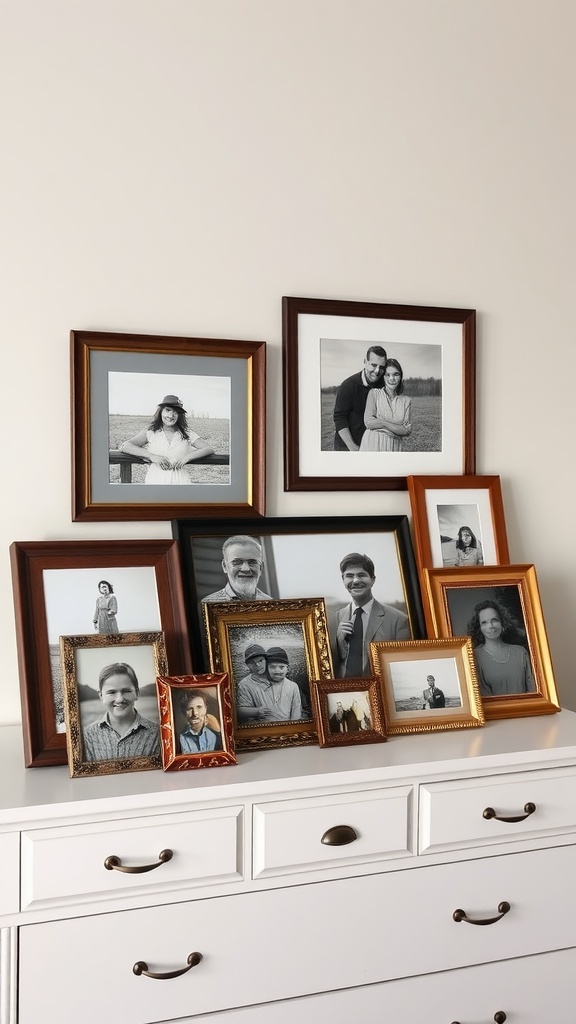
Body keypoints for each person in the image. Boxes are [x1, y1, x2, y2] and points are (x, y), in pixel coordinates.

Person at [332, 552, 410, 678]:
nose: (355, 580)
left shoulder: (399, 621)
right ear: (343, 579)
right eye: (349, 576)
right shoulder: (333, 620)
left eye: (361, 575)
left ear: (373, 580)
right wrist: (340, 642)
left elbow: (404, 667)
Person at [120, 394, 215, 484]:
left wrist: (187, 457)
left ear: (180, 415)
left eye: (176, 412)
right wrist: (152, 456)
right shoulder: (151, 432)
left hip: (181, 482)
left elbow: (209, 449)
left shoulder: (187, 433)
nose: (171, 415)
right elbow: (125, 446)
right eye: (168, 410)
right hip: (155, 482)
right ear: (161, 411)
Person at [82, 662, 160, 761]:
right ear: (101, 696)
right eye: (112, 692)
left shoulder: (157, 734)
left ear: (137, 693)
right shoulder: (87, 736)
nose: (119, 699)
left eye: (126, 691)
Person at [467, 599, 536, 696]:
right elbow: (482, 695)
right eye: (484, 622)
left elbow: (533, 688)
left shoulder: (520, 652)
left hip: (526, 709)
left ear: (502, 623)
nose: (491, 626)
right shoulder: (473, 656)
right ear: (479, 628)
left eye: (494, 620)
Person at [332, 346, 387, 451]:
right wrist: (353, 448)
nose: (377, 371)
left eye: (381, 367)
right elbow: (339, 418)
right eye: (373, 365)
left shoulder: (382, 386)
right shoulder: (348, 385)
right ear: (365, 361)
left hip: (371, 446)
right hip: (347, 448)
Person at [236, 645, 302, 723]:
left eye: (260, 661)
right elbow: (240, 710)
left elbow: (295, 710)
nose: (257, 665)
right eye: (252, 663)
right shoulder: (245, 684)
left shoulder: (289, 684)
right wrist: (256, 712)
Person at [359, 357, 412, 452]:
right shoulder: (374, 393)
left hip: (394, 446)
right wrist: (393, 426)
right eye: (387, 375)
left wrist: (380, 423)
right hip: (373, 443)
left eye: (396, 374)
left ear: (400, 376)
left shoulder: (406, 401)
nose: (392, 378)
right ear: (383, 377)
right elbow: (368, 422)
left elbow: (407, 430)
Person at [202, 535, 272, 602]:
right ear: (225, 566)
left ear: (261, 567)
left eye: (252, 562)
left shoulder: (269, 602)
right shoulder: (209, 603)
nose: (246, 569)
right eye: (237, 562)